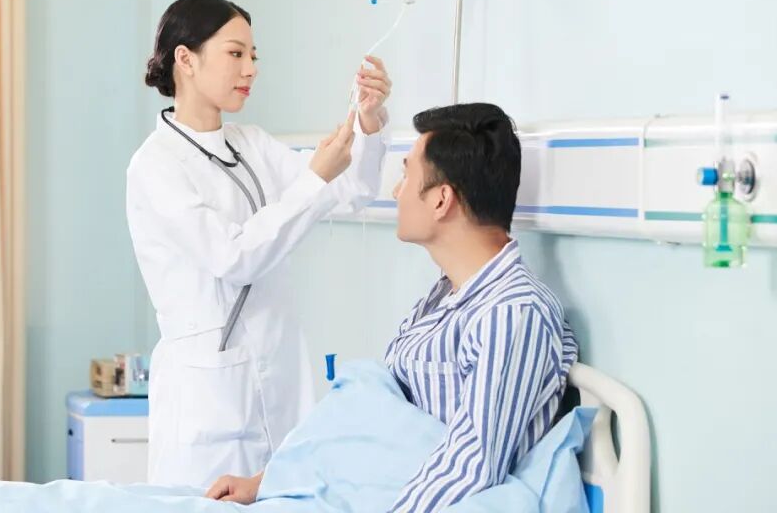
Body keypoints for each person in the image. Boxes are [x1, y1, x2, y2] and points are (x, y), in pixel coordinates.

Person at [206, 103, 579, 511]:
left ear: (441, 200)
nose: (396, 192)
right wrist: (268, 483)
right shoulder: (443, 298)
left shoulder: (512, 314)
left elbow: (468, 468)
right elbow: (368, 429)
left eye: (406, 176)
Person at [126, 0, 393, 487]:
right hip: (208, 402)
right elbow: (233, 257)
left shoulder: (251, 144)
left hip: (281, 382)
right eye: (235, 53)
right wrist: (314, 179)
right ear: (185, 59)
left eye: (253, 55)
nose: (250, 68)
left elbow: (350, 191)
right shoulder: (155, 166)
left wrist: (369, 123)